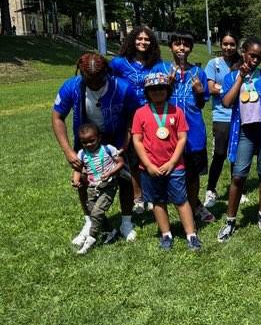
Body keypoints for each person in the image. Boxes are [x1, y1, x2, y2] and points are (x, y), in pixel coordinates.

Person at [52, 53, 139, 244]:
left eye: (98, 80)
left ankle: (126, 222)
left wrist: (126, 141)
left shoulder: (122, 87)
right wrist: (68, 151)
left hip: (117, 138)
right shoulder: (71, 87)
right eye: (88, 79)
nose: (94, 84)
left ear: (106, 72)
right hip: (87, 139)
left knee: (124, 179)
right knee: (83, 180)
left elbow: (135, 115)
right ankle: (89, 221)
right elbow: (57, 117)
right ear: (81, 73)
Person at [217, 37, 261, 242]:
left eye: (259, 57)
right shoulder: (231, 77)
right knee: (238, 175)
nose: (255, 60)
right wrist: (240, 78)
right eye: (252, 55)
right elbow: (227, 102)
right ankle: (230, 220)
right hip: (245, 132)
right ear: (243, 52)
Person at [131, 73, 201, 251]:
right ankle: (166, 234)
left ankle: (191, 235)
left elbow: (182, 138)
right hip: (150, 168)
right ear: (147, 92)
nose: (157, 92)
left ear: (168, 90)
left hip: (175, 166)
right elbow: (137, 140)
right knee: (157, 201)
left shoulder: (176, 112)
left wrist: (171, 163)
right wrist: (148, 165)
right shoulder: (140, 113)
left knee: (181, 200)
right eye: (153, 89)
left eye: (161, 88)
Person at [109, 26, 169, 214]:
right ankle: (138, 198)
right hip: (128, 116)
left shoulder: (157, 64)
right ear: (132, 40)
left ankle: (153, 195)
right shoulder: (119, 63)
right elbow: (106, 81)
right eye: (139, 39)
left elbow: (168, 81)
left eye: (147, 39)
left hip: (152, 115)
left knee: (151, 155)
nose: (143, 42)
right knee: (133, 159)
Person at [166, 31, 214, 224]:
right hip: (168, 131)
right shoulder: (163, 70)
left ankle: (194, 206)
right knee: (173, 172)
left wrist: (200, 92)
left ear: (191, 49)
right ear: (171, 47)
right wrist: (168, 85)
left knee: (193, 174)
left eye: (185, 45)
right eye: (177, 44)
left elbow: (202, 104)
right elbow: (154, 99)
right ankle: (178, 207)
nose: (181, 49)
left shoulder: (198, 73)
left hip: (193, 130)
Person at [71, 123, 126, 254]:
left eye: (92, 141)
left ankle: (90, 240)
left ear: (99, 138)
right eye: (84, 142)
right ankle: (110, 232)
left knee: (97, 212)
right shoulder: (81, 154)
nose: (89, 144)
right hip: (92, 187)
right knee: (93, 211)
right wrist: (76, 180)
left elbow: (121, 162)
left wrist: (110, 173)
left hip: (108, 185)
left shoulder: (108, 149)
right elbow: (77, 169)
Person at [203, 32, 241, 208]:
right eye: (225, 44)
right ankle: (211, 190)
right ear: (220, 44)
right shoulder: (213, 63)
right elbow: (210, 88)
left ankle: (236, 189)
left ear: (237, 45)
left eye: (232, 44)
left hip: (240, 115)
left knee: (236, 155)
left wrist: (225, 89)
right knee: (219, 154)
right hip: (221, 115)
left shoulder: (241, 64)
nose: (228, 47)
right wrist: (231, 89)